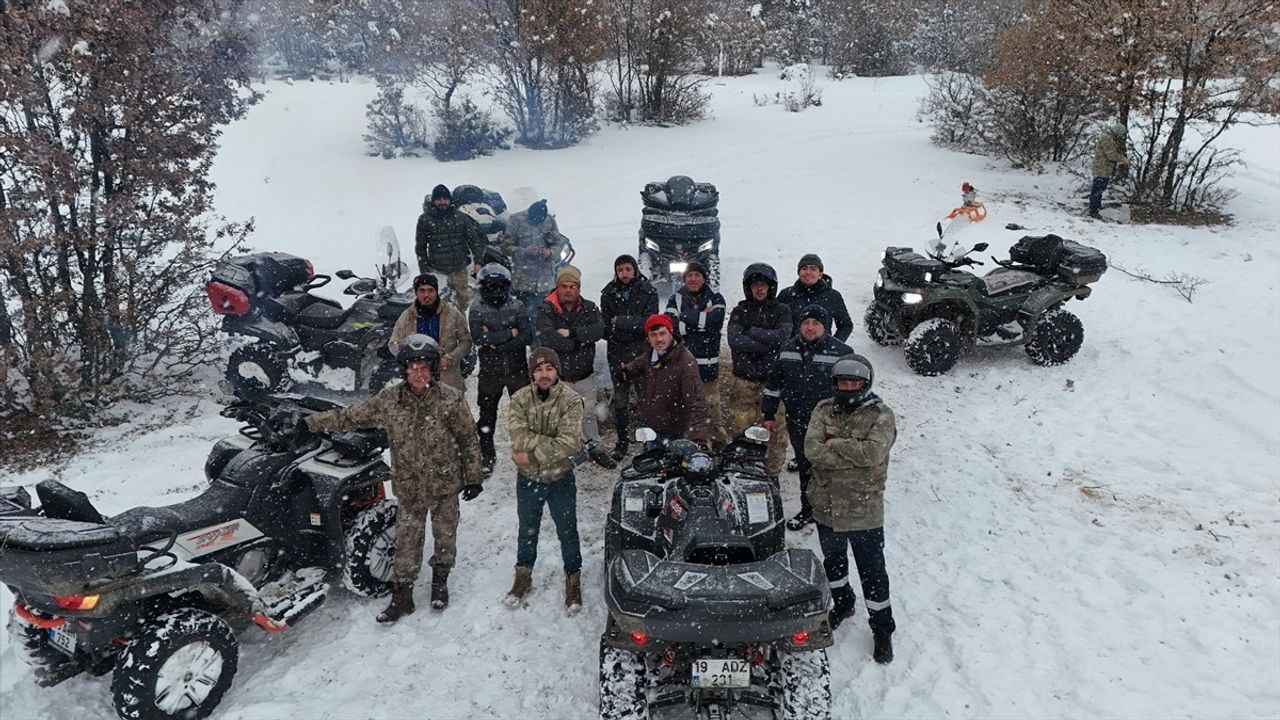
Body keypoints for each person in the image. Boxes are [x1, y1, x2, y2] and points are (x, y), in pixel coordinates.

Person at [304, 334, 483, 623]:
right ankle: (402, 597)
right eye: (413, 367)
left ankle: (440, 583)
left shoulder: (450, 400)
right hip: (410, 488)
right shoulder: (390, 401)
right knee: (406, 543)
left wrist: (473, 476)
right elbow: (351, 416)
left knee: (445, 538)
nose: (419, 373)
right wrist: (311, 423)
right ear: (404, 370)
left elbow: (468, 439)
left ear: (433, 370)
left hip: (445, 485)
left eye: (424, 367)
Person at [803, 354, 897, 664]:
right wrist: (847, 454)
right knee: (834, 563)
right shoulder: (822, 408)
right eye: (843, 382)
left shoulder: (882, 415)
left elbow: (872, 453)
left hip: (863, 509)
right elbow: (812, 450)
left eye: (854, 382)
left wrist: (836, 443)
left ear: (865, 383)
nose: (848, 387)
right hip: (826, 504)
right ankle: (843, 603)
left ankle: (882, 630)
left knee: (873, 573)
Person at [505, 347, 587, 614]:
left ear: (557, 371)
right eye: (538, 369)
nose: (543, 374)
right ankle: (522, 577)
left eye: (549, 368)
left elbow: (570, 441)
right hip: (528, 481)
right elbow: (517, 435)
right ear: (532, 373)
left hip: (561, 479)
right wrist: (550, 447)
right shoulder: (519, 398)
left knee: (567, 531)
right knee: (527, 529)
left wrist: (531, 455)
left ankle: (573, 579)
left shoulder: (572, 400)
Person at [762, 305, 852, 531]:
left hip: (830, 423)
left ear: (825, 326)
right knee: (805, 466)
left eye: (816, 323)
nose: (810, 328)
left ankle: (834, 511)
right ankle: (809, 509)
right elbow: (773, 385)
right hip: (798, 419)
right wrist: (769, 413)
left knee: (831, 466)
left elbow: (853, 389)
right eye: (806, 323)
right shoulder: (787, 349)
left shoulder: (842, 352)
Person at [535, 265, 616, 468]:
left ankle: (595, 448)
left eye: (573, 286)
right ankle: (560, 454)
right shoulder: (546, 309)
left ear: (579, 288)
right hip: (558, 378)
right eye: (564, 286)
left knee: (588, 415)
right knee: (557, 418)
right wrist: (579, 340)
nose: (569, 290)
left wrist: (571, 334)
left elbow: (599, 330)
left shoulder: (589, 307)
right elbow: (549, 338)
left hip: (584, 374)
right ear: (557, 288)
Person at [725, 263, 792, 482]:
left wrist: (752, 332)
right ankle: (742, 469)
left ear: (771, 287)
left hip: (771, 382)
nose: (760, 290)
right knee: (740, 426)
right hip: (743, 381)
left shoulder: (782, 310)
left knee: (774, 430)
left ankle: (772, 474)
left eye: (763, 285)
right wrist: (767, 341)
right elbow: (735, 341)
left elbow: (782, 338)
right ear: (749, 287)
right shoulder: (739, 310)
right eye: (755, 285)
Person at [469, 263, 533, 477]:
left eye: (499, 285)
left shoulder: (517, 305)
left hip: (517, 370)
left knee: (525, 414)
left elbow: (527, 336)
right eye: (491, 285)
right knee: (487, 417)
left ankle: (527, 452)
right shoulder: (476, 308)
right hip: (490, 373)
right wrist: (510, 333)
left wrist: (497, 342)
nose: (496, 290)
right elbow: (478, 338)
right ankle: (487, 456)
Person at [600, 254, 659, 460]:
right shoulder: (608, 293)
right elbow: (605, 328)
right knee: (621, 401)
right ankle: (622, 441)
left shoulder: (647, 291)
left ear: (634, 270)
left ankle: (650, 441)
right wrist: (631, 325)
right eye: (620, 270)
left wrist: (622, 322)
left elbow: (650, 323)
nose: (624, 274)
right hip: (617, 355)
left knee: (647, 399)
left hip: (642, 353)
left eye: (628, 269)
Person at [618, 313, 710, 446]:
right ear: (648, 338)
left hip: (674, 432)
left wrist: (699, 440)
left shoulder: (686, 362)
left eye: (662, 333)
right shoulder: (650, 355)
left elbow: (696, 403)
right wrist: (625, 372)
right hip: (651, 428)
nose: (659, 339)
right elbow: (635, 367)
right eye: (653, 335)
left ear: (671, 333)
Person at [664, 261, 727, 449]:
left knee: (712, 411)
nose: (693, 279)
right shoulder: (675, 298)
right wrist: (701, 319)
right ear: (684, 278)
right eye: (689, 275)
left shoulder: (716, 298)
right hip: (683, 366)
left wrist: (684, 316)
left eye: (697, 275)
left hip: (708, 367)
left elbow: (715, 323)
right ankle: (690, 447)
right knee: (686, 411)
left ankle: (719, 446)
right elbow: (670, 326)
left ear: (704, 277)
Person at [389, 273, 472, 393]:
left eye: (430, 290)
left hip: (448, 378)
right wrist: (410, 359)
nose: (426, 295)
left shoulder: (451, 313)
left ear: (436, 291)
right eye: (422, 291)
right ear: (416, 293)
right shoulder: (407, 316)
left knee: (452, 409)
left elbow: (466, 341)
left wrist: (450, 359)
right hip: (418, 380)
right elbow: (393, 343)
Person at [416, 184, 485, 310]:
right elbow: (420, 247)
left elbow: (474, 240)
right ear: (433, 201)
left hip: (459, 269)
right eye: (438, 199)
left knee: (463, 303)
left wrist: (478, 261)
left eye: (445, 199)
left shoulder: (460, 217)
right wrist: (425, 271)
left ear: (450, 200)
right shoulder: (425, 220)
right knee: (438, 306)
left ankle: (462, 327)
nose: (442, 202)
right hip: (437, 271)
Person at [501, 199, 569, 322]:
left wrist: (550, 252)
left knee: (546, 316)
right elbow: (505, 246)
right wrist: (523, 251)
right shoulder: (516, 220)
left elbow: (558, 242)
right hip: (524, 280)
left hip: (546, 280)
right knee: (525, 316)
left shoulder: (549, 221)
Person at [776, 254, 853, 343]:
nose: (808, 272)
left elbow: (846, 325)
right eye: (804, 268)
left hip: (821, 353)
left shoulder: (833, 296)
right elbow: (774, 321)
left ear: (820, 274)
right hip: (791, 351)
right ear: (798, 272)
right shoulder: (786, 294)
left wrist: (833, 346)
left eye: (813, 269)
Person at [1089, 122, 1129, 219]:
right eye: (1120, 135)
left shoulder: (1109, 138)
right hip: (1101, 168)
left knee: (1099, 189)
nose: (1120, 137)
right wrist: (1123, 159)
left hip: (1104, 169)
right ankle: (1093, 210)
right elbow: (1111, 155)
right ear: (1117, 133)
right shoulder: (1107, 139)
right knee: (1097, 189)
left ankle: (1096, 207)